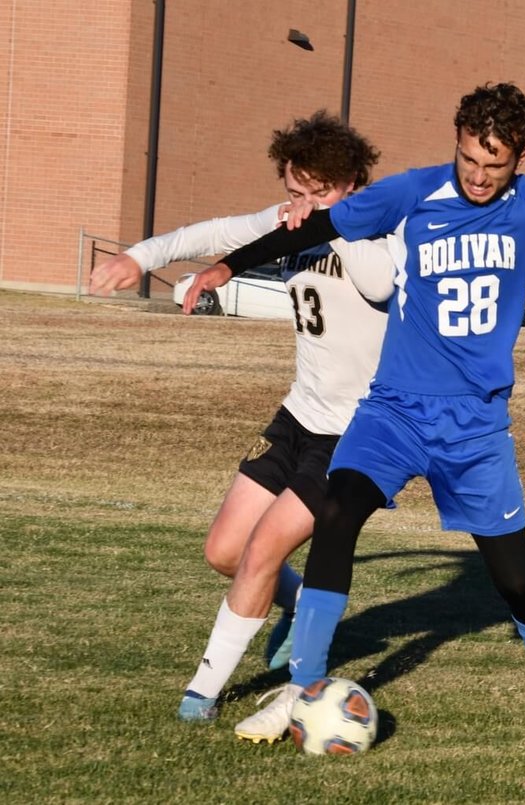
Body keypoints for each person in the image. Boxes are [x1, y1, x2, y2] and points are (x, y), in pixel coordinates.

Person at [183, 83, 525, 741]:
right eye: (469, 159)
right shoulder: (413, 191)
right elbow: (319, 224)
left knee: (516, 580)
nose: (478, 176)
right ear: (456, 141)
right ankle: (303, 686)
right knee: (336, 513)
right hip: (392, 412)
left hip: (475, 429)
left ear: (520, 156)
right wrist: (225, 267)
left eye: (494, 164)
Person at [90, 111, 395, 721]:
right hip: (298, 415)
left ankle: (201, 695)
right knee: (225, 552)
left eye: (319, 193)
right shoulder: (290, 220)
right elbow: (212, 233)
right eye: (294, 192)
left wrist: (335, 222)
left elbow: (381, 284)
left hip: (358, 433)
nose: (302, 207)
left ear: (352, 185)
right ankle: (301, 599)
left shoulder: (383, 232)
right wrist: (138, 257)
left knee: (260, 553)